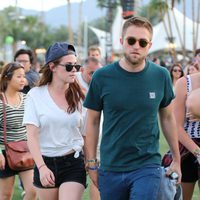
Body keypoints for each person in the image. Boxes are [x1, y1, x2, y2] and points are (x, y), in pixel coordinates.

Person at [83, 16, 181, 200]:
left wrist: (176, 159)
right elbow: (93, 121)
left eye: (142, 42)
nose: (136, 46)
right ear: (122, 42)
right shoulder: (102, 77)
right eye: (131, 40)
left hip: (147, 165)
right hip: (111, 166)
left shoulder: (161, 76)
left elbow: (167, 118)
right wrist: (91, 163)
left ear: (149, 45)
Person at [23, 42, 86, 200]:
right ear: (52, 67)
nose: (74, 71)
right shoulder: (35, 95)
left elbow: (86, 133)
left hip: (73, 162)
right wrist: (41, 167)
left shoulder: (80, 96)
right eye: (69, 66)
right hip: (45, 161)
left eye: (76, 66)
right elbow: (31, 135)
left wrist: (91, 163)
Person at [0, 62, 36, 200]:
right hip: (4, 154)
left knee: (32, 191)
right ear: (8, 78)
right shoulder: (1, 100)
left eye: (24, 76)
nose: (23, 80)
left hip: (25, 151)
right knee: (5, 196)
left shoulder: (27, 99)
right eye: (19, 76)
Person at [76, 57, 101, 200]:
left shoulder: (99, 83)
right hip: (75, 140)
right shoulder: (73, 82)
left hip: (95, 138)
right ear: (82, 70)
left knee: (97, 179)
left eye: (97, 73)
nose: (95, 76)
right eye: (91, 73)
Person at [174, 72, 200, 200]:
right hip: (187, 146)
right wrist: (198, 152)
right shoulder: (184, 83)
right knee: (184, 197)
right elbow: (176, 126)